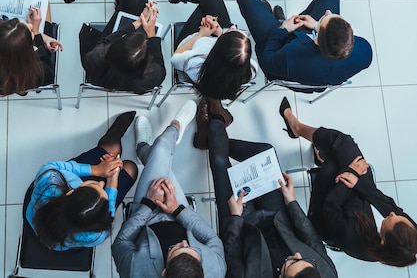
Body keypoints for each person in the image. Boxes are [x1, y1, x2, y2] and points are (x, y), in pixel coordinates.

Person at [195, 100, 337, 277]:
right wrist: (291, 201)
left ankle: (215, 125)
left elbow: (232, 257)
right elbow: (311, 238)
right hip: (278, 217)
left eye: (292, 261)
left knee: (219, 162)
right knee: (265, 153)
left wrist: (235, 218)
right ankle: (212, 135)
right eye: (303, 260)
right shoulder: (327, 274)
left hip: (243, 227)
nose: (298, 254)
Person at [280, 98, 417, 266]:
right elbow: (388, 203)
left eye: (390, 218)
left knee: (333, 164)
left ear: (382, 240)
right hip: (361, 193)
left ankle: (305, 138)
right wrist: (358, 183)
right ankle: (299, 130)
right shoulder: (409, 233)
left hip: (328, 212)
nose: (393, 213)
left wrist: (349, 177)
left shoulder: (354, 240)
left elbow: (330, 206)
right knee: (342, 142)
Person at [112, 100, 227, 277]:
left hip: (146, 217)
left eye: (176, 248)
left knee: (160, 153)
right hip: (179, 214)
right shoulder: (216, 271)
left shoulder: (136, 272)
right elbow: (213, 240)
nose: (183, 242)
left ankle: (163, 136)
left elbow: (121, 242)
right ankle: (149, 147)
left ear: (164, 273)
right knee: (160, 154)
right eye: (190, 248)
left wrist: (148, 204)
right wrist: (177, 209)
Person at [26, 111, 138, 250]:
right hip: (62, 235)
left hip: (44, 217)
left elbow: (52, 167)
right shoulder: (97, 234)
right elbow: (109, 211)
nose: (101, 182)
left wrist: (97, 170)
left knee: (112, 150)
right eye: (101, 187)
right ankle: (116, 133)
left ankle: (116, 132)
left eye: (94, 184)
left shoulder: (50, 182)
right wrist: (112, 178)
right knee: (130, 168)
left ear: (70, 192)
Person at [237, 0, 372, 86]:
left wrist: (282, 30)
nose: (327, 12)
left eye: (324, 20)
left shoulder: (293, 55)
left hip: (283, 52)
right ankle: (282, 20)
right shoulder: (366, 52)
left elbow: (267, 60)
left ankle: (279, 22)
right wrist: (316, 25)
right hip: (315, 68)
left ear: (317, 40)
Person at [79, 0, 166, 94]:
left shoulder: (95, 57)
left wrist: (137, 23)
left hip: (102, 74)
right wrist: (150, 33)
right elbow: (159, 62)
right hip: (127, 79)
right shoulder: (152, 76)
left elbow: (105, 41)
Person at [167, 0, 257, 102]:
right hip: (214, 46)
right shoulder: (250, 68)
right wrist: (219, 31)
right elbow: (233, 53)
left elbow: (175, 58)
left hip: (191, 44)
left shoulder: (197, 63)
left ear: (219, 47)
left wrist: (201, 35)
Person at [0, 0, 91, 96]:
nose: (29, 24)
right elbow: (46, 64)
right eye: (29, 29)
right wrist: (38, 34)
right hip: (37, 56)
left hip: (15, 73)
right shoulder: (40, 72)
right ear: (28, 46)